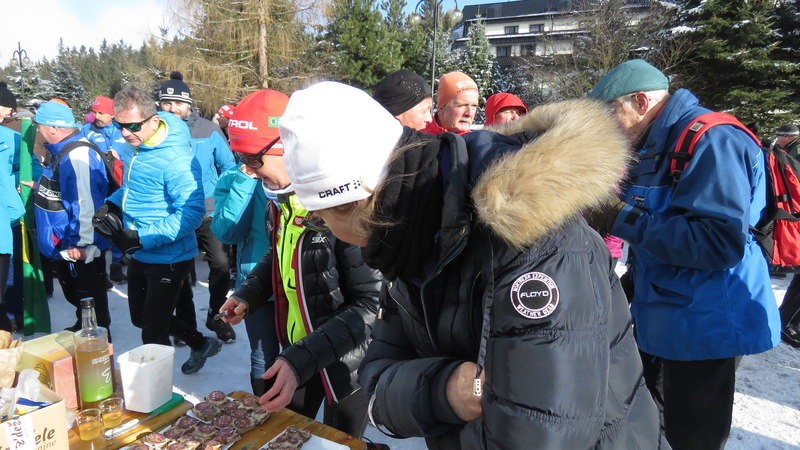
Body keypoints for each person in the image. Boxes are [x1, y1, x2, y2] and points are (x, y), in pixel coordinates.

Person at [279, 81, 662, 448]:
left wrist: (426, 397)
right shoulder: (407, 234)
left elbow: (539, 437)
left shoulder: (530, 241)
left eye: (318, 219)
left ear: (355, 204)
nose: (324, 229)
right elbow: (376, 383)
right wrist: (442, 390)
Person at [587, 59, 781, 449]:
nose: (605, 128)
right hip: (665, 313)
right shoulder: (655, 144)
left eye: (609, 114)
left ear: (641, 102)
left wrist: (619, 217)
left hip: (707, 322)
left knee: (691, 435)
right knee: (647, 423)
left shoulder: (712, 140)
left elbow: (716, 243)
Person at [218, 88, 382, 438]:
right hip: (299, 351)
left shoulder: (346, 205)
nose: (247, 170)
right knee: (287, 436)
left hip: (347, 365)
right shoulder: (279, 202)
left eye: (253, 159)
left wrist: (303, 356)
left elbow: (371, 303)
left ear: (288, 148)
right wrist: (248, 293)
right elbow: (279, 257)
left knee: (339, 443)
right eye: (239, 157)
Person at [92, 85, 222, 374]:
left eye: (132, 126)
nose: (125, 133)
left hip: (170, 256)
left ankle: (157, 392)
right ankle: (200, 343)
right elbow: (132, 189)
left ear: (154, 120)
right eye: (120, 125)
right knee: (141, 317)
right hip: (141, 250)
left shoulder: (176, 159)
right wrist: (111, 205)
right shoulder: (136, 148)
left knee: (152, 330)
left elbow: (191, 214)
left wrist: (141, 237)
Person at [158, 71, 238, 343]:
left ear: (189, 104)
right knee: (179, 272)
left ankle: (216, 316)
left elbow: (228, 168)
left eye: (178, 103)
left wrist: (226, 203)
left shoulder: (208, 130)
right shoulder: (156, 134)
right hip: (176, 214)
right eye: (166, 103)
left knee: (221, 266)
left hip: (209, 212)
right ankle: (186, 326)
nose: (172, 108)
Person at [210, 93, 279, 397]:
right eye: (241, 153)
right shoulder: (233, 178)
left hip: (299, 282)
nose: (248, 160)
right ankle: (265, 414)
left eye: (254, 154)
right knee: (263, 356)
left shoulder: (293, 175)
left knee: (300, 354)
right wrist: (244, 180)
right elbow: (226, 233)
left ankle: (295, 417)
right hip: (256, 280)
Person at [32, 101, 112, 332]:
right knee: (77, 296)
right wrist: (39, 186)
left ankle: (96, 340)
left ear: (53, 128)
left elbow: (85, 203)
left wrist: (81, 243)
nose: (38, 132)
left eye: (40, 126)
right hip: (66, 241)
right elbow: (67, 190)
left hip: (77, 246)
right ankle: (83, 327)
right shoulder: (64, 152)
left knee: (89, 300)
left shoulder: (77, 155)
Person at [82, 95, 133, 285]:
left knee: (118, 224)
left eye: (101, 113)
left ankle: (117, 266)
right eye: (94, 112)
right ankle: (99, 271)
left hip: (119, 184)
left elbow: (134, 155)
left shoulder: (123, 130)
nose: (96, 116)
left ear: (112, 114)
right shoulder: (87, 130)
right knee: (99, 224)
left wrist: (119, 158)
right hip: (95, 185)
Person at [0, 121, 25, 332]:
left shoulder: (10, 137)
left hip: (8, 217)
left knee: (10, 273)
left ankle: (14, 316)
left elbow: (28, 168)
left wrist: (16, 182)